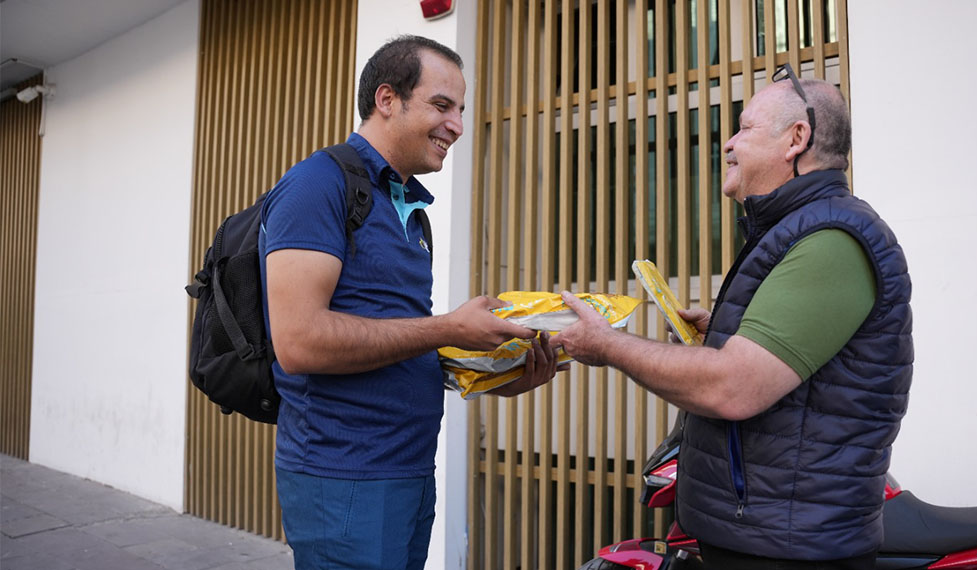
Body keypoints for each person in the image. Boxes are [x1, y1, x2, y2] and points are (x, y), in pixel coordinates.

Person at [555, 66, 912, 570]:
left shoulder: (832, 239)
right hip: (765, 538)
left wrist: (608, 345)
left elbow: (734, 388)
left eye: (744, 128)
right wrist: (722, 336)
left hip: (787, 552)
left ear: (796, 139)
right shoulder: (796, 228)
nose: (727, 143)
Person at [260, 35, 561, 570]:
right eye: (442, 106)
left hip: (408, 471)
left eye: (461, 110)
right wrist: (447, 327)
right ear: (386, 99)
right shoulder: (317, 185)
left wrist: (498, 371)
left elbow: (395, 342)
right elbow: (300, 342)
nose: (458, 126)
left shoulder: (410, 212)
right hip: (345, 478)